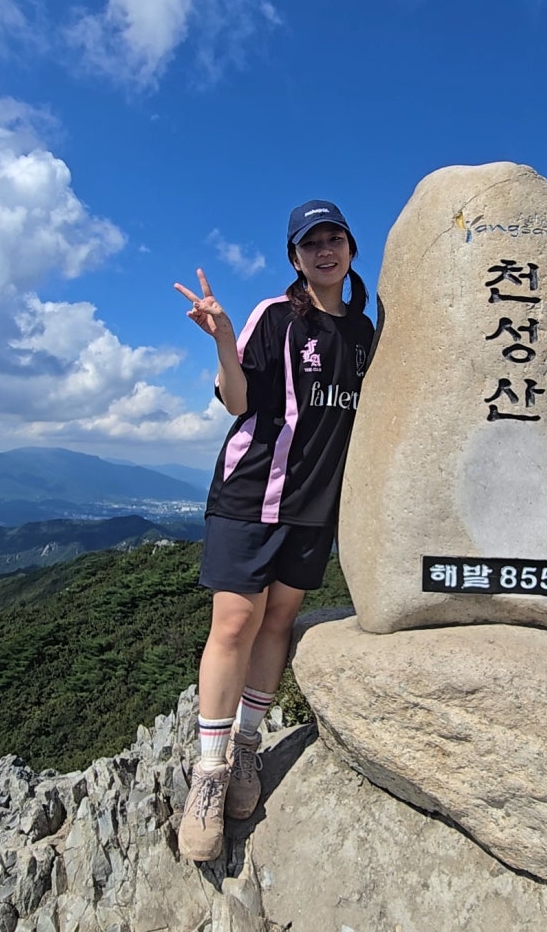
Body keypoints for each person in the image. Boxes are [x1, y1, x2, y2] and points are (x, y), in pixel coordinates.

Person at [173, 200, 375, 861]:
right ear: (295, 257)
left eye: (334, 239)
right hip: (251, 492)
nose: (325, 250)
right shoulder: (275, 316)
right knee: (235, 621)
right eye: (311, 243)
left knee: (278, 623)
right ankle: (210, 773)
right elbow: (237, 401)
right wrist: (223, 338)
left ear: (350, 249)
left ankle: (246, 747)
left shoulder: (364, 333)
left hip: (315, 507)